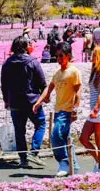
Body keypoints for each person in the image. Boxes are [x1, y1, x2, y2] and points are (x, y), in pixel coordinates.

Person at [33, 42, 81, 176]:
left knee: (56, 136)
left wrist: (75, 109)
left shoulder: (74, 72)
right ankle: (74, 167)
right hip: (58, 110)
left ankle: (64, 162)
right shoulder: (58, 73)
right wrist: (39, 102)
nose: (59, 59)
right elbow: (49, 88)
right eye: (57, 56)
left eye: (61, 56)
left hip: (67, 110)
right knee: (65, 138)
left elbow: (78, 92)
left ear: (68, 56)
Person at [1, 36, 47, 168]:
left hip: (14, 102)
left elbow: (4, 85)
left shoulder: (7, 63)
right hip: (32, 101)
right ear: (26, 47)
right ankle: (34, 151)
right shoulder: (33, 62)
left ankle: (23, 159)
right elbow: (42, 83)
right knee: (41, 124)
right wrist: (43, 96)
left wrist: (6, 100)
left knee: (19, 131)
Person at [79, 45, 100, 173]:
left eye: (94, 54)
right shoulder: (94, 70)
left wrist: (96, 108)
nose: (92, 56)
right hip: (94, 110)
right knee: (83, 138)